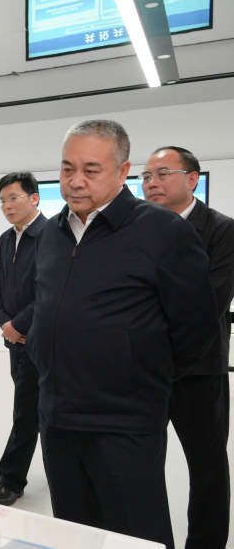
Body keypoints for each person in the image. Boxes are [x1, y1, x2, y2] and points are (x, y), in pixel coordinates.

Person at [27, 120, 217, 548]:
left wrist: (140, 371)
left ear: (123, 170)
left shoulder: (163, 231)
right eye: (67, 168)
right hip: (57, 417)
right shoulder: (52, 233)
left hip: (124, 420)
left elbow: (196, 327)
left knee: (136, 534)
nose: (75, 181)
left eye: (90, 170)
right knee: (74, 531)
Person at [142, 146, 234, 549]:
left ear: (192, 179)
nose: (151, 183)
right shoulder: (138, 230)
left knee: (207, 464)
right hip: (143, 369)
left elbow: (208, 303)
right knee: (138, 461)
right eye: (146, 176)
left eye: (162, 173)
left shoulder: (222, 230)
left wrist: (142, 324)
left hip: (198, 369)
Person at [0, 172, 46, 506]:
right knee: (35, 408)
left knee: (26, 412)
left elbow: (50, 289)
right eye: (2, 201)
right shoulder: (6, 239)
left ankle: (10, 480)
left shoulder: (51, 235)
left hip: (40, 341)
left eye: (14, 198)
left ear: (34, 198)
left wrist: (20, 324)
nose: (7, 206)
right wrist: (5, 323)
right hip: (15, 341)